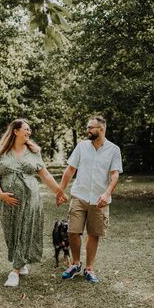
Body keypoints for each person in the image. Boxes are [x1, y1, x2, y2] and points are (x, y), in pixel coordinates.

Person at [0, 118, 67, 288]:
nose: (29, 132)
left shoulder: (33, 151)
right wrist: (1, 194)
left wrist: (59, 191)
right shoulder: (0, 151)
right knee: (11, 234)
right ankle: (21, 261)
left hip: (31, 198)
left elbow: (45, 175)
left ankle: (15, 271)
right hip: (7, 201)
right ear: (15, 131)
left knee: (24, 231)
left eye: (30, 129)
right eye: (26, 129)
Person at [56, 115, 123, 283]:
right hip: (79, 195)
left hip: (99, 199)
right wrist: (60, 191)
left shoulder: (114, 150)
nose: (88, 130)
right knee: (72, 231)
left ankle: (89, 268)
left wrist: (107, 194)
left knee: (94, 234)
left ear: (101, 129)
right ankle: (76, 264)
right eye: (87, 127)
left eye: (91, 127)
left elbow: (114, 175)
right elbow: (70, 170)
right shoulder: (82, 147)